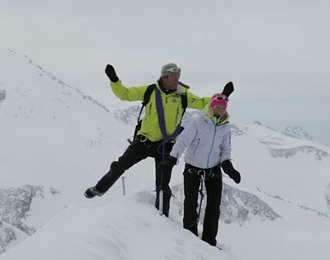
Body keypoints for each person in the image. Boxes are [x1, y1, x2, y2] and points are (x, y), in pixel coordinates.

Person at [84, 63, 234, 218]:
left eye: (178, 78)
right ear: (164, 77)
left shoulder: (183, 95)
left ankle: (162, 218)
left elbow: (203, 103)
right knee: (120, 165)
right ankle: (99, 189)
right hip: (144, 141)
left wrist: (223, 96)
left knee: (163, 185)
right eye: (174, 78)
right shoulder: (150, 91)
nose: (177, 81)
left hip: (166, 146)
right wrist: (114, 80)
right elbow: (125, 94)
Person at [157, 93, 241, 246]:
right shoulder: (198, 122)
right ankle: (190, 237)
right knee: (190, 203)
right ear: (211, 106)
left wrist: (228, 165)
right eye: (218, 107)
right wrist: (172, 158)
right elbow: (183, 141)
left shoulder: (225, 127)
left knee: (214, 206)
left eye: (223, 108)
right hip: (193, 167)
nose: (220, 110)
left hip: (213, 168)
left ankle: (209, 241)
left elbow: (225, 149)